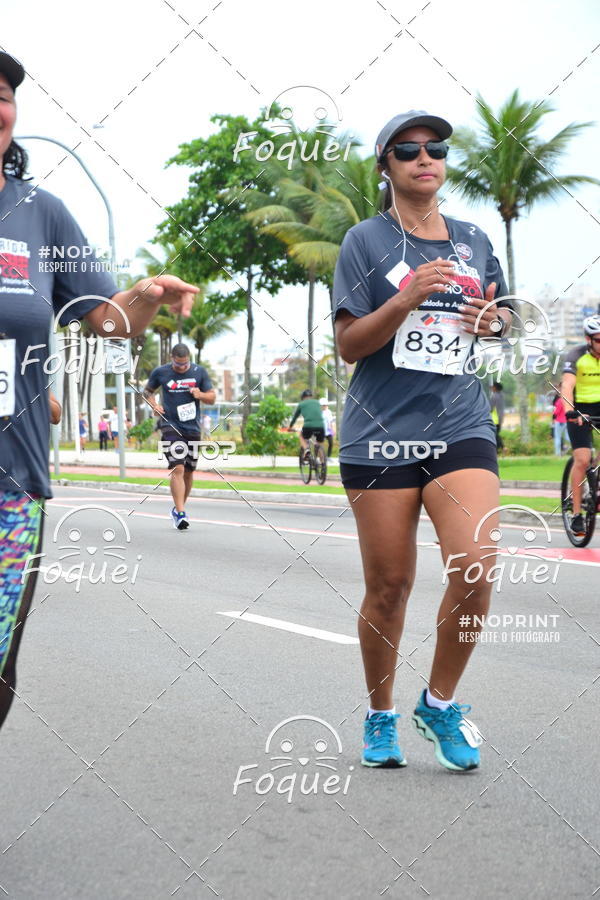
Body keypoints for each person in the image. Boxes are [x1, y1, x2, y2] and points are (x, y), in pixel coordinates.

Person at [0, 51, 198, 730]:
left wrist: (144, 295)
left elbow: (109, 323)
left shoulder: (39, 215)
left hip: (11, 478)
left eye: (2, 94)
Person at [333, 110, 513, 771]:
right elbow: (351, 343)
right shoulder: (365, 241)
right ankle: (380, 716)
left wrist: (496, 322)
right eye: (407, 149)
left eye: (435, 147)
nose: (424, 157)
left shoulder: (472, 239)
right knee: (390, 586)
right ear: (386, 165)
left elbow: (502, 312)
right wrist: (405, 299)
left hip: (460, 423)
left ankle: (439, 703)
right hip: (380, 434)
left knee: (476, 567)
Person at [144, 344, 215, 529]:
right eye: (178, 364)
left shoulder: (200, 372)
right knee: (178, 468)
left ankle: (178, 509)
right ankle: (181, 513)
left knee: (189, 472)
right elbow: (147, 392)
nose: (182, 368)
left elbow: (212, 397)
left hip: (192, 428)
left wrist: (200, 394)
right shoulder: (161, 372)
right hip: (169, 425)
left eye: (185, 364)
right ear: (171, 358)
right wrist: (154, 405)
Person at [561, 314, 600, 535]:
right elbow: (567, 386)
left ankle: (596, 471)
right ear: (588, 339)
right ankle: (576, 514)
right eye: (599, 340)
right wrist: (569, 411)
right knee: (582, 459)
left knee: (592, 462)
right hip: (580, 408)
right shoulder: (576, 355)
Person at [289, 389, 326, 461]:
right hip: (321, 427)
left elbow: (295, 417)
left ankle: (306, 450)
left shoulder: (301, 404)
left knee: (301, 436)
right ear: (311, 396)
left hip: (308, 427)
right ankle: (322, 465)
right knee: (319, 445)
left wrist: (290, 427)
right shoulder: (317, 403)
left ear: (303, 397)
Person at [489, 382, 505, 452]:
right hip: (500, 418)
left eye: (493, 387)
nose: (491, 388)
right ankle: (499, 449)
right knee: (495, 434)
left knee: (494, 434)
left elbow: (490, 408)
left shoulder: (494, 396)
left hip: (494, 419)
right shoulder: (501, 395)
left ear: (495, 388)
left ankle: (502, 447)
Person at [552, 391, 567, 456]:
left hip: (559, 421)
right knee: (567, 437)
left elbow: (556, 412)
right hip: (566, 421)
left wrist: (553, 418)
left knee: (557, 437)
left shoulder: (559, 401)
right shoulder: (567, 401)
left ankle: (557, 453)